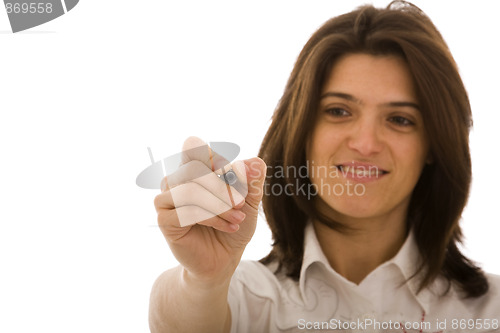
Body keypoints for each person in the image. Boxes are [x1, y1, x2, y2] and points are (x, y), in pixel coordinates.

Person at [149, 1, 500, 332]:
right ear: (302, 131)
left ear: (433, 146)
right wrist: (204, 280)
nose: (366, 143)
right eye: (338, 111)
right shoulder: (243, 299)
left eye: (399, 119)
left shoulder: (491, 312)